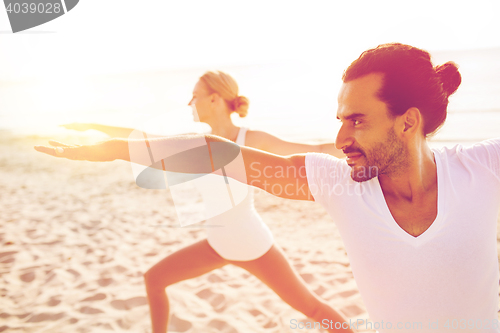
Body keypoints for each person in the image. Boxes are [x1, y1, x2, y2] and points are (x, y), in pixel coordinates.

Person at [36, 43, 500, 332]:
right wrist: (113, 148)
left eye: (357, 121)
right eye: (339, 121)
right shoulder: (337, 184)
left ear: (409, 122)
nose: (341, 140)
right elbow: (210, 151)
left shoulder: (483, 169)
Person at [53, 71, 353, 333]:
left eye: (194, 96)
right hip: (216, 244)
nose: (190, 104)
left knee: (312, 309)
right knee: (154, 280)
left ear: (214, 99)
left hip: (251, 244)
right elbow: (145, 139)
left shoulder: (252, 139)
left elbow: (316, 149)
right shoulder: (199, 142)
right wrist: (94, 127)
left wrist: (360, 148)